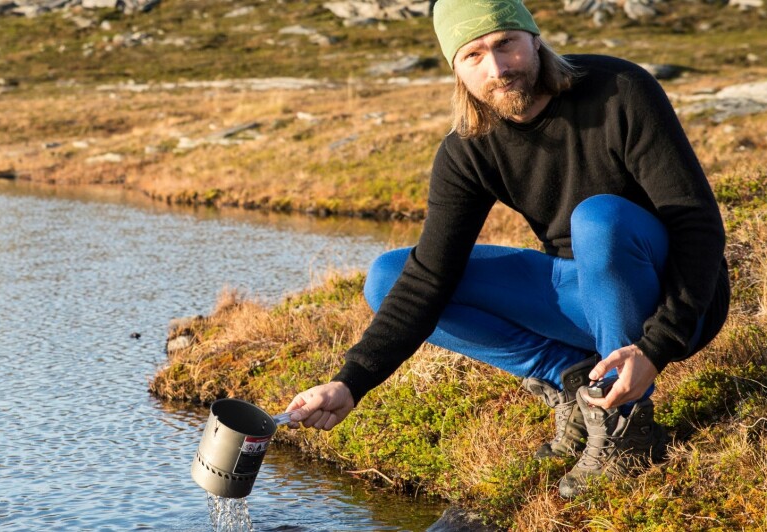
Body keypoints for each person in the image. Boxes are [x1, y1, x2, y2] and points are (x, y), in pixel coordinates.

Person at [283, 0, 730, 498]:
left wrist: (656, 346)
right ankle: (572, 376)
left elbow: (698, 223)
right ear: (456, 70)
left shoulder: (620, 90)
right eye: (473, 55)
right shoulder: (468, 148)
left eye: (505, 44)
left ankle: (626, 426)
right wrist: (349, 383)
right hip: (583, 292)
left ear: (534, 40)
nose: (497, 68)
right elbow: (429, 277)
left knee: (599, 218)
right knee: (389, 277)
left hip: (673, 298)